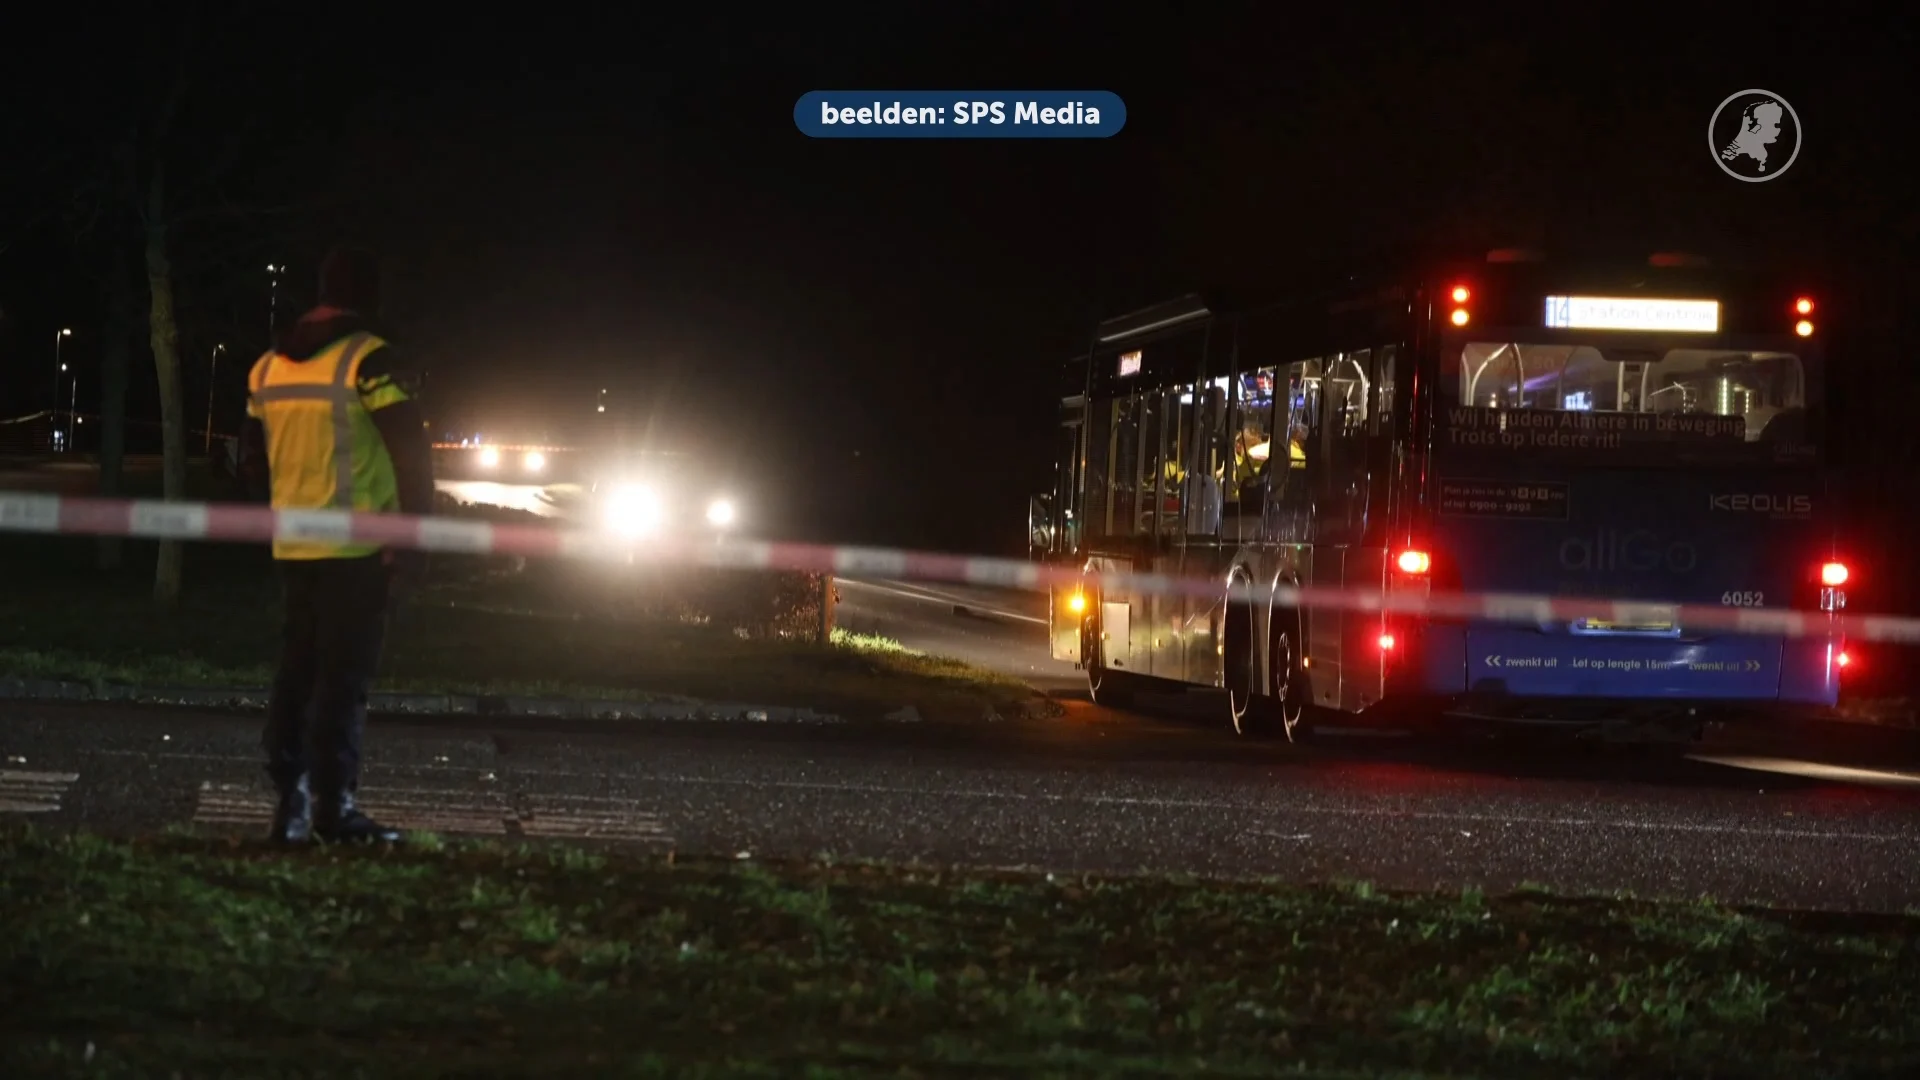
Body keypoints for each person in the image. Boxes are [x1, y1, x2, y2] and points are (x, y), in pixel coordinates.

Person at [239, 246, 435, 844]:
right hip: (360, 550)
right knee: (342, 680)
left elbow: (250, 460)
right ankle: (334, 808)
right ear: (369, 295)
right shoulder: (369, 360)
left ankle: (291, 803)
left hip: (294, 545)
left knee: (296, 672)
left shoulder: (267, 368)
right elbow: (412, 456)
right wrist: (414, 535)